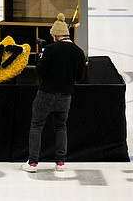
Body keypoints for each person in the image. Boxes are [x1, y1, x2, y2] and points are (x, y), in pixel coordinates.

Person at [22, 13, 86, 173]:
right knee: (61, 127)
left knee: (36, 126)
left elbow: (40, 71)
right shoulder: (78, 52)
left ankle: (33, 163)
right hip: (65, 96)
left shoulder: (50, 50)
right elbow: (80, 76)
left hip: (46, 94)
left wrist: (40, 59)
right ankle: (60, 162)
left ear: (57, 35)